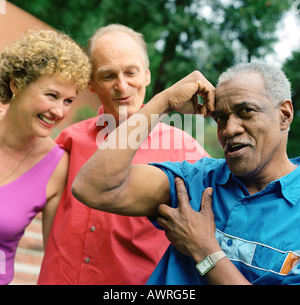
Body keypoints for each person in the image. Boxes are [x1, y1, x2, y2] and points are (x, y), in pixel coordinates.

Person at [72, 62, 300, 285]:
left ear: (284, 114)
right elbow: (92, 188)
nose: (229, 129)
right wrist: (164, 101)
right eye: (221, 118)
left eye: (246, 111)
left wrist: (204, 251)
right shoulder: (196, 180)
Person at [38, 24, 209, 285]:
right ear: (91, 84)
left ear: (147, 75)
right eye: (108, 76)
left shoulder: (185, 150)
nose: (122, 85)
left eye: (131, 72)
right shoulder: (69, 140)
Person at [0, 29, 91, 285]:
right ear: (16, 83)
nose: (58, 111)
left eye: (68, 101)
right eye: (51, 95)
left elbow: (56, 260)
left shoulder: (56, 166)